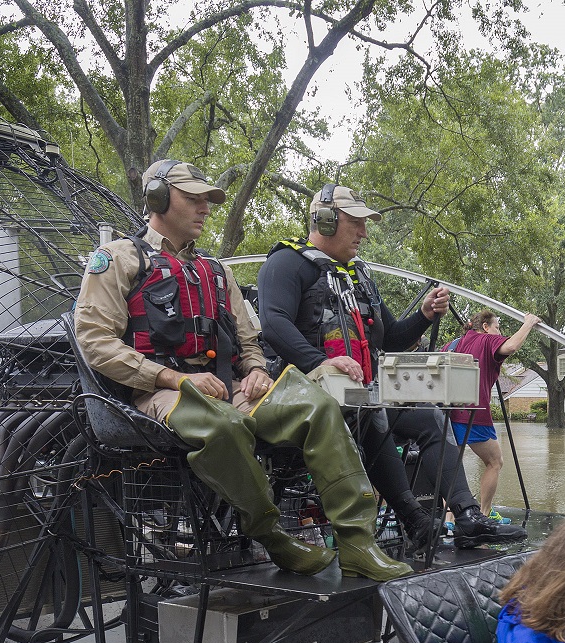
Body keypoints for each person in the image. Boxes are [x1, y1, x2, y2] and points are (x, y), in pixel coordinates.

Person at [73, 160, 408, 581]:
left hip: (227, 385)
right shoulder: (118, 260)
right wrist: (174, 378)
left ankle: (358, 542)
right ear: (158, 198)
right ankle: (272, 535)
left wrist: (255, 370)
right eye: (193, 199)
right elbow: (95, 343)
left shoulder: (217, 270)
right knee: (224, 426)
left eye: (206, 200)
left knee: (317, 406)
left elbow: (249, 340)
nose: (204, 208)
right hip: (160, 391)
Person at [256, 185, 525, 548]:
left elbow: (392, 337)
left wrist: (425, 315)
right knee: (368, 417)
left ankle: (467, 516)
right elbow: (273, 324)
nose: (364, 233)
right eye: (356, 223)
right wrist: (322, 362)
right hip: (302, 396)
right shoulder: (285, 263)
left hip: (360, 395)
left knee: (428, 417)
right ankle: (411, 517)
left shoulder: (359, 276)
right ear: (326, 220)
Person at [448, 310, 539, 517]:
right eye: (497, 327)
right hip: (473, 414)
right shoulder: (487, 340)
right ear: (486, 327)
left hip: (448, 414)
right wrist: (529, 323)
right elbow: (512, 345)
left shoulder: (454, 344)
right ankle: (484, 513)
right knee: (495, 462)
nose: (499, 332)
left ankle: (449, 519)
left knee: (451, 468)